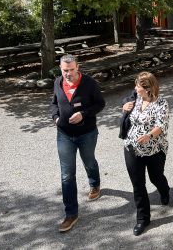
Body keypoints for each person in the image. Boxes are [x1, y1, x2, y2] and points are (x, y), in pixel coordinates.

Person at [50, 54, 105, 233]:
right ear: (60, 69)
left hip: (87, 133)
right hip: (64, 135)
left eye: (71, 70)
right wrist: (56, 117)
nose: (68, 74)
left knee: (89, 161)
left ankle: (95, 183)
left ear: (77, 67)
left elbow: (100, 104)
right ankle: (71, 214)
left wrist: (84, 114)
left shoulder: (89, 83)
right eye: (65, 70)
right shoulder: (57, 82)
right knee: (67, 175)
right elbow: (54, 104)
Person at [121, 72, 171, 236]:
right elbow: (126, 102)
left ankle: (164, 190)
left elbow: (161, 126)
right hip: (132, 147)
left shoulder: (161, 104)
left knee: (155, 177)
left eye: (138, 86)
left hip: (154, 149)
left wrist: (149, 135)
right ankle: (143, 219)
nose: (135, 88)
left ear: (148, 89)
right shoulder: (136, 98)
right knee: (138, 184)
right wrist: (124, 107)